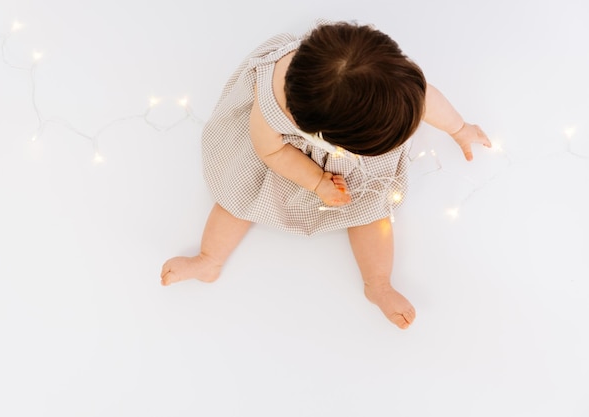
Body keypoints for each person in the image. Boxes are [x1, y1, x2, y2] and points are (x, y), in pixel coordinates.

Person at [160, 21, 490, 329]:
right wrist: (317, 181)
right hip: (284, 155)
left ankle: (378, 284)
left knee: (373, 213)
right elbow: (271, 151)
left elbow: (427, 98)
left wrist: (460, 129)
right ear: (326, 134)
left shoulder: (392, 81)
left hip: (338, 118)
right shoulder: (273, 105)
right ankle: (208, 259)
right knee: (237, 197)